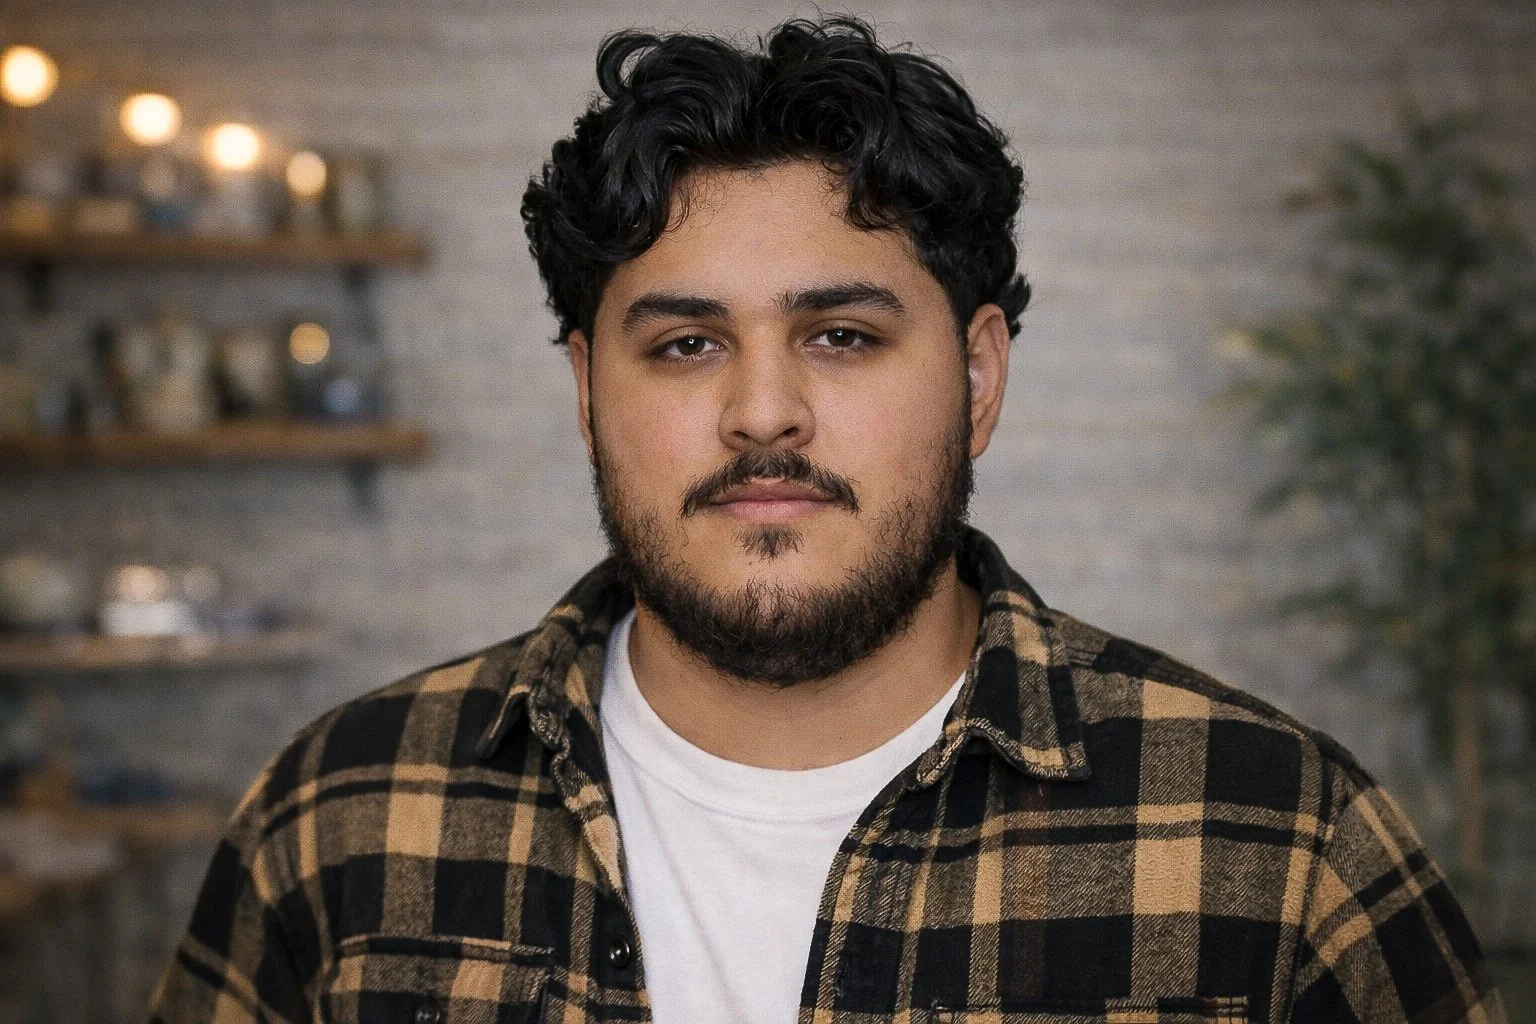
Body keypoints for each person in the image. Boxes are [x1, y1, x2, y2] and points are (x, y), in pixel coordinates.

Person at [148, 16, 1504, 1024]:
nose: (762, 413)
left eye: (843, 335)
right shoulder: (339, 818)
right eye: (683, 347)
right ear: (584, 391)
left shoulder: (1280, 848)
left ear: (977, 378)